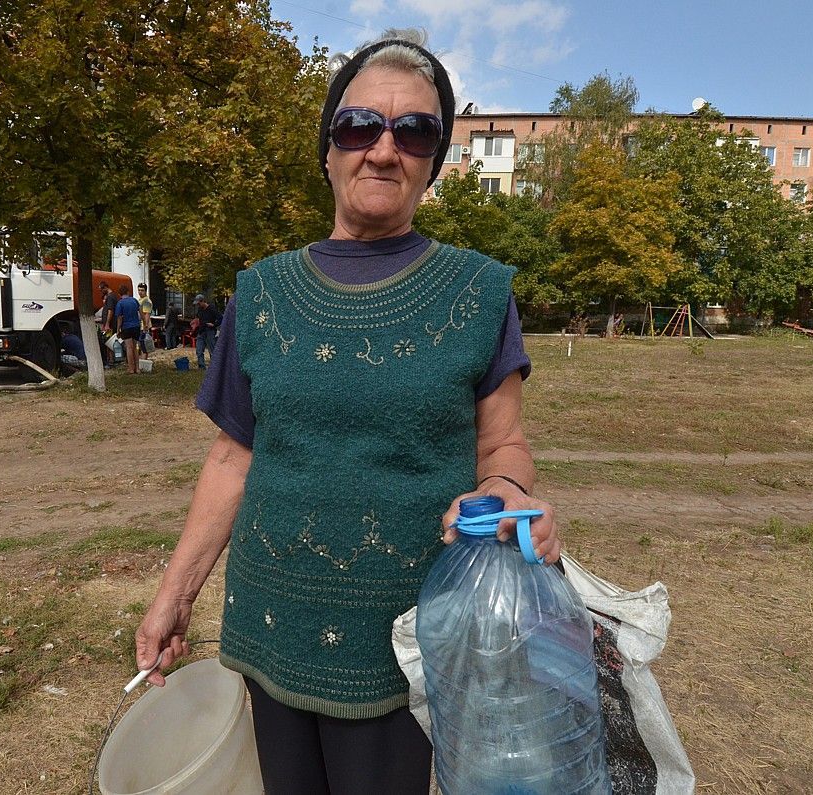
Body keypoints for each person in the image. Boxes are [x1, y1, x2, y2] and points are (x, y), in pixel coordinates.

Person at [136, 30, 560, 795]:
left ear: (434, 161)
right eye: (361, 126)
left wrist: (508, 495)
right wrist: (176, 594)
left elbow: (505, 446)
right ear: (329, 149)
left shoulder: (479, 292)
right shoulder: (258, 294)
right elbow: (234, 457)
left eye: (415, 130)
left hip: (402, 642)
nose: (384, 149)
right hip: (269, 629)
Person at [114, 283, 142, 374]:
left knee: (129, 348)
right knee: (135, 348)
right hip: (136, 326)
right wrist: (144, 323)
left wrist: (118, 329)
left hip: (126, 327)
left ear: (119, 294)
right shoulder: (134, 300)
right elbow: (140, 312)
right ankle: (137, 368)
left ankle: (131, 368)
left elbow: (119, 318)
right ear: (128, 292)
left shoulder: (120, 303)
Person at [192, 293, 221, 369]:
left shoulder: (212, 309)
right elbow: (198, 318)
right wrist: (195, 322)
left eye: (199, 303)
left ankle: (214, 367)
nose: (198, 305)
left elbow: (221, 318)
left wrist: (214, 324)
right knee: (199, 350)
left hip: (210, 331)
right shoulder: (200, 309)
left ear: (202, 301)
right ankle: (201, 366)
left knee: (212, 350)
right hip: (201, 331)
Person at [97, 282, 118, 367]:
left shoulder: (110, 297)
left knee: (109, 341)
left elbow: (110, 311)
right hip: (108, 324)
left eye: (101, 290)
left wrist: (107, 324)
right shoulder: (112, 296)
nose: (101, 292)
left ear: (105, 287)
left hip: (110, 324)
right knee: (108, 341)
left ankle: (111, 360)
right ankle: (110, 359)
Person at [137, 282, 155, 357]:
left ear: (145, 291)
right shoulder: (140, 300)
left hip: (143, 326)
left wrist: (145, 326)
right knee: (140, 345)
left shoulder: (146, 301)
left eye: (142, 290)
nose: (140, 292)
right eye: (139, 290)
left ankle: (144, 362)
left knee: (144, 346)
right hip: (139, 325)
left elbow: (147, 314)